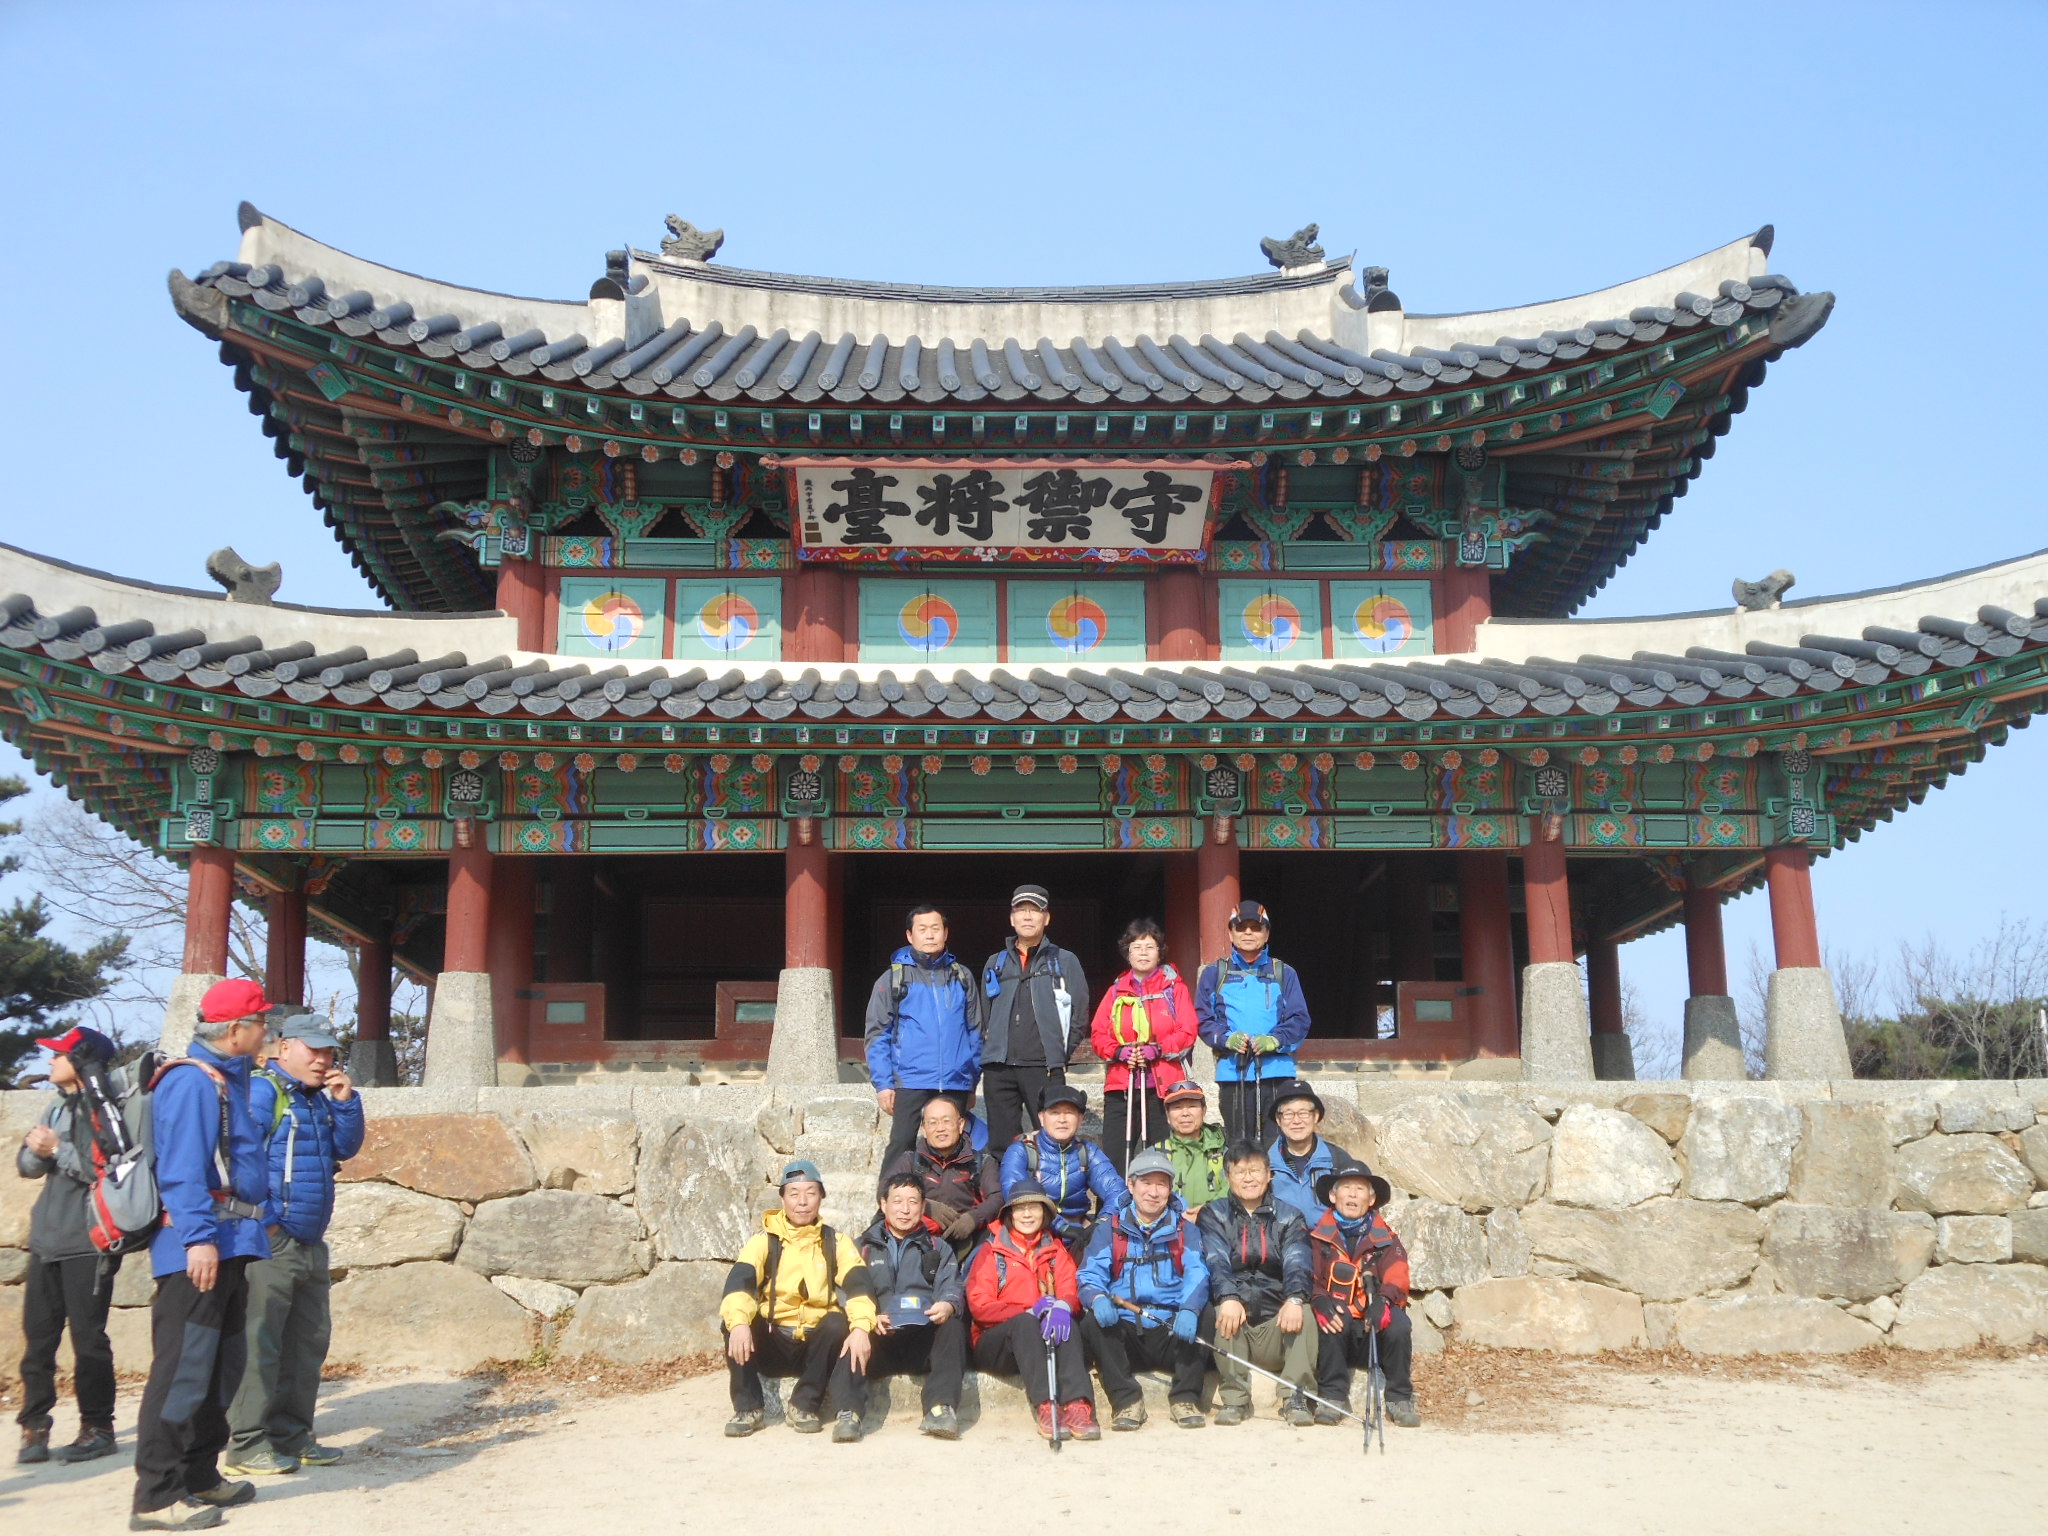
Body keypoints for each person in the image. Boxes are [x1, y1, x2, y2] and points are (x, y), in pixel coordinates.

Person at [132, 978, 273, 1532]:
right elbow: (182, 1168)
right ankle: (156, 1495)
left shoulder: (228, 1077)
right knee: (183, 1370)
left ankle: (198, 1474)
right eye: (261, 1022)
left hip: (231, 1240)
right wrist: (197, 1239)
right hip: (200, 1245)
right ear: (235, 1029)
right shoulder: (192, 1081)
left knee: (221, 1366)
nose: (267, 1031)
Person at [222, 1018, 365, 1476]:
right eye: (314, 1051)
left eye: (329, 1053)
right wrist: (267, 1225)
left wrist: (346, 1103)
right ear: (284, 1048)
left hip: (309, 1239)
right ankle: (246, 1443)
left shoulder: (316, 1097)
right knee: (260, 1343)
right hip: (272, 1242)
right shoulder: (264, 1092)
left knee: (306, 1344)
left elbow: (344, 1148)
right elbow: (240, 1161)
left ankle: (292, 1435)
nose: (324, 1061)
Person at [15, 1025, 125, 1467]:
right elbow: (28, 1167)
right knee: (38, 1340)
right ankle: (34, 1425)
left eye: (58, 1054)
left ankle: (98, 1427)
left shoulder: (109, 1110)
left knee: (89, 1341)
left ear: (81, 1061)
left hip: (88, 1242)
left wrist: (57, 1148)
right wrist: (37, 1150)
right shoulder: (56, 1104)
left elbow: (106, 1171)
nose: (49, 1061)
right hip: (47, 1240)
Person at [719, 1160, 876, 1443]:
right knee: (735, 1321)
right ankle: (748, 1408)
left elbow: (859, 1287)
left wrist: (862, 1327)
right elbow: (739, 1284)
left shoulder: (836, 1242)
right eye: (794, 1193)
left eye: (810, 1193)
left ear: (821, 1197)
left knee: (837, 1322)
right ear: (782, 1199)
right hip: (773, 1340)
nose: (802, 1202)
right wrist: (739, 1323)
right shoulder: (764, 1242)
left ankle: (804, 1404)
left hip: (816, 1348)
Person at [1075, 1149, 1210, 1431]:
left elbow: (1197, 1273)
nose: (1153, 1192)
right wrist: (1097, 1297)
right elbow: (1089, 1274)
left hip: (1172, 1329)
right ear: (1131, 1185)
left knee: (1206, 1313)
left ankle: (1185, 1398)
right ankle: (1126, 1401)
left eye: (1161, 1184)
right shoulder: (1109, 1229)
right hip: (1126, 1329)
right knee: (1092, 1321)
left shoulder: (1185, 1230)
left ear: (1170, 1189)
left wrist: (1190, 1308)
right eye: (1146, 1183)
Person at [963, 1180, 1098, 1442]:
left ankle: (1077, 1404)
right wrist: (1028, 1310)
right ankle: (1046, 1405)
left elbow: (1070, 1288)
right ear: (1010, 1214)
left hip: (1041, 1341)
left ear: (1044, 1213)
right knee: (1024, 1323)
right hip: (998, 1344)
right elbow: (980, 1306)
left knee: (1066, 1321)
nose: (1027, 1215)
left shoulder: (1055, 1250)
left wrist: (1063, 1305)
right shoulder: (991, 1251)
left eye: (1034, 1208)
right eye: (1020, 1208)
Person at [1194, 1140, 1317, 1426]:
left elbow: (1298, 1261)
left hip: (1277, 1325)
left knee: (1304, 1310)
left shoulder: (1289, 1216)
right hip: (1238, 1328)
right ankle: (1236, 1399)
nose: (1248, 1178)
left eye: (1255, 1170)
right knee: (1221, 1310)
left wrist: (1295, 1298)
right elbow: (1216, 1260)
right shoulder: (1214, 1214)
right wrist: (1228, 1297)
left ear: (1269, 1174)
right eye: (1240, 1172)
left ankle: (1295, 1397)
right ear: (1228, 1176)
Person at [864, 906, 986, 1166]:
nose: (930, 935)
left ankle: (948, 1193)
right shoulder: (893, 978)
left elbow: (975, 1032)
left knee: (955, 1148)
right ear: (910, 935)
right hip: (911, 1079)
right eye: (922, 929)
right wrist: (884, 1084)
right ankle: (889, 1193)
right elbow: (877, 1034)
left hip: (954, 1080)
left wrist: (971, 1081)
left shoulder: (962, 976)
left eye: (935, 928)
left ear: (946, 933)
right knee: (901, 1145)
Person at [853, 1173, 968, 1440]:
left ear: (923, 1206)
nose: (905, 1209)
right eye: (897, 1201)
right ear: (883, 1204)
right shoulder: (862, 1247)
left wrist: (948, 1305)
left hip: (921, 1339)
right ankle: (849, 1412)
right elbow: (846, 1289)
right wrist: (866, 1318)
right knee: (849, 1328)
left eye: (913, 1202)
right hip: (878, 1338)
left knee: (953, 1324)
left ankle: (940, 1408)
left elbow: (952, 1285)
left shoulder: (938, 1247)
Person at [1308, 1159, 1419, 1429]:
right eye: (1346, 1188)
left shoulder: (1386, 1237)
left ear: (1371, 1200)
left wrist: (1384, 1300)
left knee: (1399, 1325)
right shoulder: (1317, 1237)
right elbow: (1306, 1274)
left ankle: (1399, 1398)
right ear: (1333, 1196)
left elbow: (1398, 1273)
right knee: (1332, 1319)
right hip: (1340, 1323)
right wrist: (1318, 1299)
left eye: (1360, 1189)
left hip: (1373, 1321)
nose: (1353, 1195)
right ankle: (1333, 1397)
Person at [978, 885, 1090, 1150]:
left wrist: (1059, 1052)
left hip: (1044, 1066)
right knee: (1002, 1145)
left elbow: (1080, 1015)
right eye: (1021, 910)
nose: (1027, 916)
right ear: (1012, 918)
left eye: (1035, 910)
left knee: (1054, 1141)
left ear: (1046, 918)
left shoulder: (1065, 960)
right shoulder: (995, 962)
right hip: (999, 1067)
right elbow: (985, 1013)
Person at [1194, 902, 1312, 1142]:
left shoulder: (1284, 972)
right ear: (1230, 933)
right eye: (1241, 928)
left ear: (1266, 934)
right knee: (1239, 1145)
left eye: (1256, 928)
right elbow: (1203, 1019)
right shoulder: (1215, 973)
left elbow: (1299, 1019)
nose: (1248, 933)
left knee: (1278, 1143)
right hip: (1233, 1072)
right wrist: (1226, 1038)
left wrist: (1275, 1040)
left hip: (1277, 1072)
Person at [1088, 918, 1198, 1173]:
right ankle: (1114, 1199)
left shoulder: (1174, 989)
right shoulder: (1116, 991)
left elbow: (1187, 1031)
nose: (1143, 953)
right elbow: (1098, 1033)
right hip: (1122, 1085)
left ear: (1160, 951)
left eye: (1150, 947)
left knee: (1163, 1156)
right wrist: (1119, 1051)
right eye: (1136, 947)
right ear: (1127, 953)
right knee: (1115, 1157)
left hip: (1163, 1087)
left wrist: (1157, 1049)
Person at [997, 1084, 1127, 1257]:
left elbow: (1118, 1191)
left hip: (1079, 1235)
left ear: (1080, 1119)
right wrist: (1061, 1227)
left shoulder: (1087, 1151)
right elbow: (1014, 1193)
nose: (1062, 1119)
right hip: (1033, 1233)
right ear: (1041, 1117)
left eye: (1069, 1113)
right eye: (1055, 1112)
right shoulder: (1021, 1151)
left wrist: (1101, 1223)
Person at [875, 1093, 1002, 1256]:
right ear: (924, 1129)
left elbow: (998, 1198)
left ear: (961, 1124)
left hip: (969, 1242)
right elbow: (884, 1190)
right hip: (917, 1242)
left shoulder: (982, 1162)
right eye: (933, 1122)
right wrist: (925, 1206)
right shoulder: (910, 1161)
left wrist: (973, 1218)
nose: (940, 1128)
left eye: (946, 1121)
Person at [1265, 1081, 1342, 1224]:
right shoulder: (1265, 1163)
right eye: (1288, 1114)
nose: (1296, 1121)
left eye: (1303, 1113)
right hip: (1280, 1237)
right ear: (1278, 1120)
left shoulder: (1337, 1160)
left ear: (1316, 1116)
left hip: (1327, 1237)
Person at [1158, 1080, 1229, 1212]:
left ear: (1204, 1110)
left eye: (1192, 1106)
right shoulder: (1155, 1156)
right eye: (1177, 1108)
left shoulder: (1225, 1154)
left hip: (1216, 1221)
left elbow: (1234, 1191)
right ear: (1167, 1115)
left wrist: (1205, 1213)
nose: (1185, 1113)